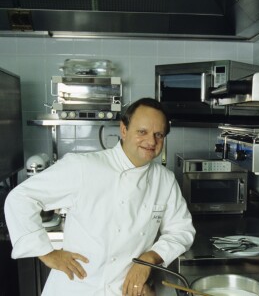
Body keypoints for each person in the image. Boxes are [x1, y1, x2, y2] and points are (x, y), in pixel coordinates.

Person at [5, 97, 195, 296]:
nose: (151, 141)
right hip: (76, 287)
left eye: (159, 135)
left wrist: (149, 259)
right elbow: (20, 198)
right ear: (124, 130)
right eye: (142, 132)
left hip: (125, 290)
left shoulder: (164, 180)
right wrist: (46, 253)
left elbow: (181, 231)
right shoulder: (84, 167)